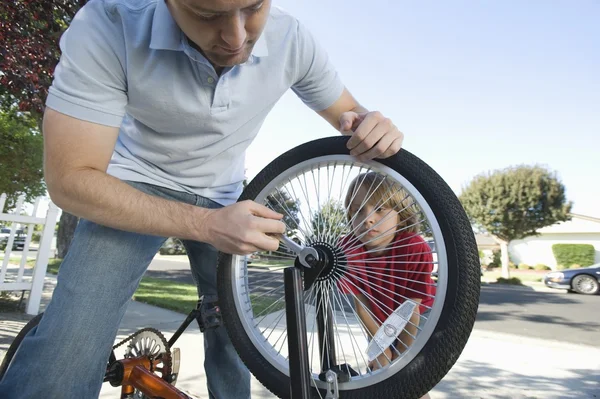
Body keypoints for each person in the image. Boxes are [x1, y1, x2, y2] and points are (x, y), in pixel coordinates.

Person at [0, 1, 405, 398]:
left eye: (253, 8)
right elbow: (69, 180)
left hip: (225, 194)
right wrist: (205, 225)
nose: (235, 37)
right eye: (208, 15)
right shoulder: (109, 24)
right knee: (69, 346)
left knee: (236, 340)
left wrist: (370, 126)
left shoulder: (292, 39)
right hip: (132, 186)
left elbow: (349, 113)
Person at [339, 172, 436, 398]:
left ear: (401, 214)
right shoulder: (349, 250)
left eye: (380, 209)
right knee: (381, 372)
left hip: (417, 319)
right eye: (357, 210)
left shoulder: (414, 247)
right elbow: (361, 303)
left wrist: (402, 359)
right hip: (376, 318)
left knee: (412, 383)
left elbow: (411, 307)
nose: (368, 218)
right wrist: (381, 350)